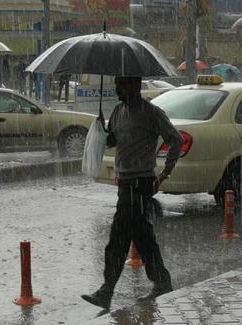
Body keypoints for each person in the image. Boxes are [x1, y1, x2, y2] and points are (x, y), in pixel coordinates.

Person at [81, 76, 183, 311]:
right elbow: (112, 140)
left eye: (121, 84)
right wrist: (101, 130)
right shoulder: (117, 111)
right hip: (125, 183)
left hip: (140, 183)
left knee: (119, 236)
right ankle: (162, 281)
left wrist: (165, 173)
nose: (116, 88)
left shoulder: (152, 113)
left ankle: (107, 290)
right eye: (116, 84)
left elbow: (175, 140)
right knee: (142, 235)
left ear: (135, 87)